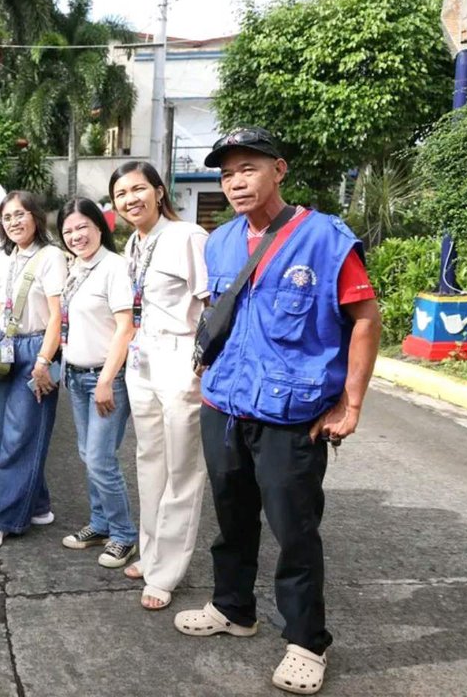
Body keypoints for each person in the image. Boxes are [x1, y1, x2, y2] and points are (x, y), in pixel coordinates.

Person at [174, 127, 381, 696]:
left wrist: (351, 401)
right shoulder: (219, 242)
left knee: (294, 530)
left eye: (248, 168)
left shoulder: (325, 238)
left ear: (279, 170)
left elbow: (365, 318)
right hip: (225, 404)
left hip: (290, 415)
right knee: (232, 519)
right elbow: (219, 311)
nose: (235, 182)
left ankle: (306, 642)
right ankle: (233, 608)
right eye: (226, 173)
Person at [109, 161, 209, 610]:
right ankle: (150, 554)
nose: (130, 200)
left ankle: (167, 572)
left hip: (179, 357)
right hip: (142, 357)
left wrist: (204, 362)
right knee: (149, 461)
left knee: (182, 470)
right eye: (120, 195)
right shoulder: (133, 243)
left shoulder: (188, 237)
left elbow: (213, 303)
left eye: (138, 189)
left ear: (159, 191)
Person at [0, 191, 67, 550]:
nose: (13, 222)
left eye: (20, 215)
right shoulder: (7, 260)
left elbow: (57, 316)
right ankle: (38, 505)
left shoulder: (51, 257)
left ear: (35, 217)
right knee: (2, 437)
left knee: (21, 438)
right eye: (7, 218)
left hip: (36, 349)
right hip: (5, 351)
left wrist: (44, 362)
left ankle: (2, 518)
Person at [56, 197, 138, 569]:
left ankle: (123, 535)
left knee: (102, 460)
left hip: (104, 379)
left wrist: (106, 379)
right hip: (75, 375)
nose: (76, 235)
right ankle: (101, 522)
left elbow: (126, 326)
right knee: (89, 457)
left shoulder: (114, 267)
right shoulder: (76, 268)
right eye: (68, 230)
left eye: (82, 227)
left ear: (99, 226)